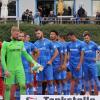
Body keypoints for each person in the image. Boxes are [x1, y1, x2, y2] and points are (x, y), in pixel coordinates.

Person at [1, 26, 43, 100]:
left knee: (23, 86)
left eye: (18, 34)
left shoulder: (21, 44)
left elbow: (26, 55)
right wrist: (6, 70)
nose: (18, 36)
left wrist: (34, 63)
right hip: (9, 69)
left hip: (20, 68)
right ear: (12, 33)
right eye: (16, 34)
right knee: (8, 88)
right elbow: (2, 58)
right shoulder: (5, 44)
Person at [34, 29, 58, 95]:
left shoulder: (49, 42)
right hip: (39, 65)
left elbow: (56, 52)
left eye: (38, 33)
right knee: (39, 82)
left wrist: (51, 61)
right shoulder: (35, 43)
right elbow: (34, 55)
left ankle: (51, 96)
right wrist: (35, 65)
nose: (37, 35)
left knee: (50, 81)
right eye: (36, 34)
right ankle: (39, 97)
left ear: (42, 33)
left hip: (48, 65)